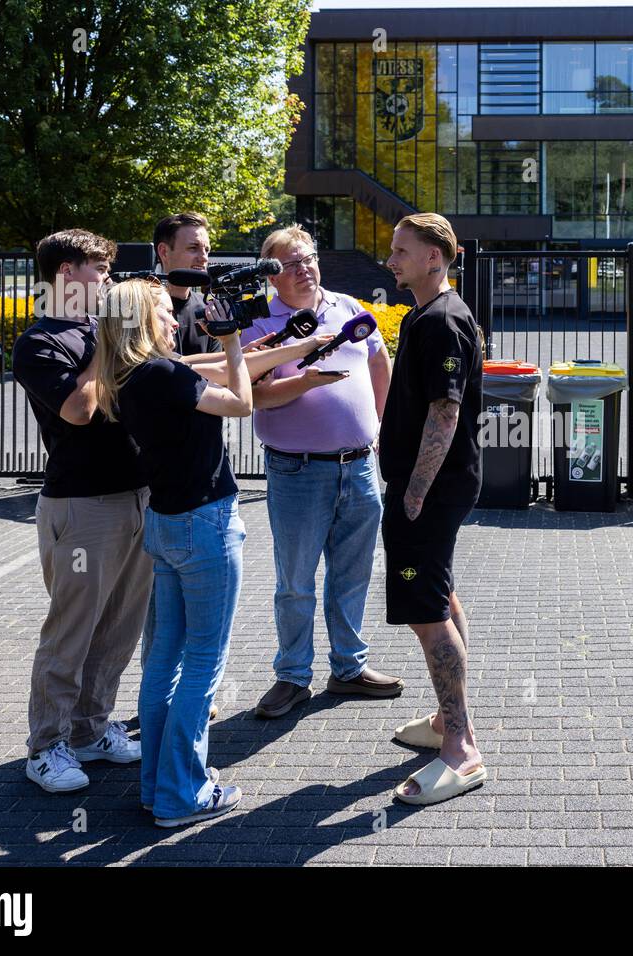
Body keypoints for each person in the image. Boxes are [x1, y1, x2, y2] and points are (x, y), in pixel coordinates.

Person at [93, 278, 341, 826]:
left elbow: (205, 370)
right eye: (162, 313)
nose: (172, 320)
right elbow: (241, 403)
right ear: (139, 322)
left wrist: (264, 347)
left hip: (165, 523)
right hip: (204, 524)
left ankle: (159, 786)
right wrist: (233, 343)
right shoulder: (164, 373)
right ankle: (183, 794)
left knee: (165, 661)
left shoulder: (132, 376)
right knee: (203, 663)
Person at [240, 225, 402, 719]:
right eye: (289, 263)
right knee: (295, 581)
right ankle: (292, 676)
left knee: (352, 576)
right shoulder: (259, 324)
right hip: (297, 470)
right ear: (271, 274)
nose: (304, 268)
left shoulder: (350, 308)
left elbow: (380, 362)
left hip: (358, 468)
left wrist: (377, 425)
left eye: (308, 258)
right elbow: (252, 394)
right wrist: (307, 381)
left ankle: (348, 668)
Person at [12, 229, 149, 793]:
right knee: (72, 632)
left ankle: (91, 732)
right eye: (101, 270)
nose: (110, 281)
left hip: (137, 498)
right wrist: (105, 342)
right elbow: (78, 409)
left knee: (119, 630)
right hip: (81, 506)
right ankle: (46, 747)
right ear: (67, 274)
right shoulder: (41, 343)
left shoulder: (102, 331)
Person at [379, 213, 487, 805]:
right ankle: (450, 721)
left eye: (401, 251)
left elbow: (445, 413)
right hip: (429, 485)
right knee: (439, 593)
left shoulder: (443, 319)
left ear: (434, 258)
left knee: (425, 610)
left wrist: (415, 490)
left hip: (430, 490)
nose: (391, 260)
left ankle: (462, 748)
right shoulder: (427, 313)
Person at [153, 211, 220, 357]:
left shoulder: (207, 310)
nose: (204, 258)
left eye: (206, 250)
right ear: (164, 252)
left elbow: (219, 368)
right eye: (193, 248)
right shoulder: (140, 307)